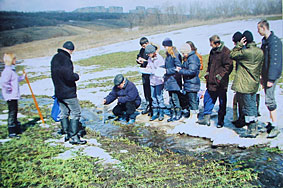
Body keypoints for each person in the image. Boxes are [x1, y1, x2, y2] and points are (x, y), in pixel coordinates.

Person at [51, 41, 86, 145]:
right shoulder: (66, 60)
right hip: (68, 92)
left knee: (64, 112)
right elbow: (68, 76)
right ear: (71, 50)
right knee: (76, 112)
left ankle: (65, 132)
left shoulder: (55, 58)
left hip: (59, 91)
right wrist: (76, 76)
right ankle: (74, 136)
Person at [230, 30, 264, 138]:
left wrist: (239, 45)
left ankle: (251, 130)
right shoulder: (259, 51)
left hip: (245, 83)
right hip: (254, 82)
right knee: (252, 105)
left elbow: (232, 54)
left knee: (248, 106)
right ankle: (253, 126)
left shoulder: (245, 53)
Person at [197, 35, 233, 128]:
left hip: (221, 83)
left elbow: (228, 67)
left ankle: (221, 121)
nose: (210, 45)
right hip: (211, 81)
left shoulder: (226, 52)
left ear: (216, 43)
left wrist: (219, 77)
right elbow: (209, 64)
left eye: (211, 43)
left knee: (222, 101)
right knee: (208, 98)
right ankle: (206, 118)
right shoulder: (212, 51)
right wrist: (208, 73)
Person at [257, 19, 282, 138]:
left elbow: (275, 62)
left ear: (263, 28)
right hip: (266, 75)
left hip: (271, 75)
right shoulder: (265, 42)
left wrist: (271, 79)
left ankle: (276, 126)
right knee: (268, 99)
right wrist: (262, 75)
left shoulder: (274, 42)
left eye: (259, 29)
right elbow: (264, 60)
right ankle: (272, 123)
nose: (258, 31)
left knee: (270, 100)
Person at [1, 53, 25, 138]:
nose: (15, 60)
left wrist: (22, 77)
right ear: (10, 60)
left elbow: (14, 80)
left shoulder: (11, 70)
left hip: (13, 95)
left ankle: (16, 128)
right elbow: (4, 82)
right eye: (14, 59)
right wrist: (9, 90)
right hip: (10, 96)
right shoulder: (7, 71)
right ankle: (12, 132)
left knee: (14, 111)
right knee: (12, 112)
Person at [177, 43, 201, 121]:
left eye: (184, 53)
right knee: (190, 100)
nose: (183, 55)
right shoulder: (189, 58)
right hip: (189, 83)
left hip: (192, 83)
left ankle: (194, 116)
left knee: (193, 101)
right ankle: (192, 115)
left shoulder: (193, 58)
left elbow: (192, 71)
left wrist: (180, 71)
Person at [162, 38, 183, 122]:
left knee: (175, 97)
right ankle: (173, 113)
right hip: (169, 80)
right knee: (170, 97)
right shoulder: (168, 54)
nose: (165, 48)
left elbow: (177, 67)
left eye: (166, 46)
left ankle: (178, 113)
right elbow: (168, 65)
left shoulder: (175, 54)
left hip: (174, 80)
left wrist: (167, 71)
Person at [144, 44, 166, 121]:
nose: (148, 55)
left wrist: (152, 71)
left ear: (153, 52)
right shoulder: (150, 59)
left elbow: (160, 71)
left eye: (149, 54)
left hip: (159, 80)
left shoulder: (160, 59)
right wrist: (146, 69)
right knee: (153, 97)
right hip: (152, 81)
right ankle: (155, 113)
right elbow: (148, 66)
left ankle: (161, 113)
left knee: (159, 97)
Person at [136, 37, 152, 116]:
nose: (143, 47)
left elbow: (152, 61)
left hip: (150, 73)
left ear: (147, 43)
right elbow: (138, 56)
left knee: (151, 90)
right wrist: (138, 60)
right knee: (146, 90)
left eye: (144, 45)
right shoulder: (142, 50)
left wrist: (145, 61)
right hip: (144, 72)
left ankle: (153, 107)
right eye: (142, 46)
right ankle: (148, 105)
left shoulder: (152, 49)